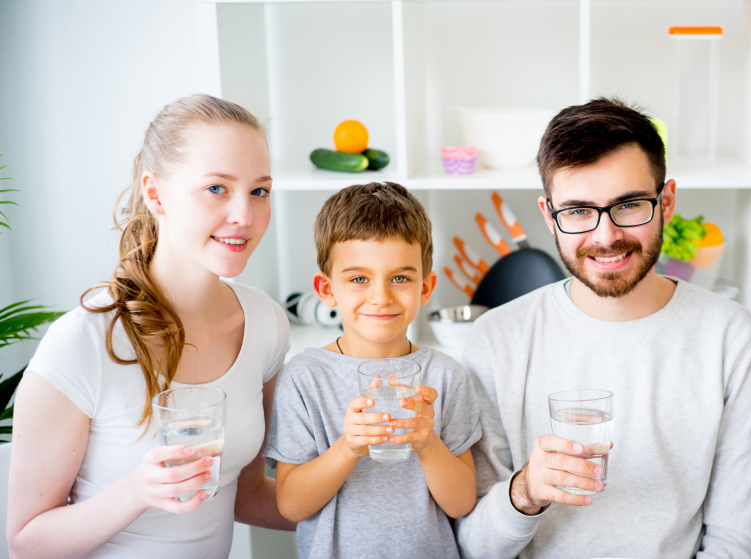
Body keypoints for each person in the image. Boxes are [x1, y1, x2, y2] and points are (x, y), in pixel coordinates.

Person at [455, 98, 751, 558]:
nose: (605, 236)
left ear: (666, 201)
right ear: (549, 216)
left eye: (628, 205)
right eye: (579, 211)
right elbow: (472, 549)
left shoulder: (732, 338)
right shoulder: (496, 339)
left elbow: (738, 543)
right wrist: (524, 492)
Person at [7, 94, 295, 558]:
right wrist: (138, 490)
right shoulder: (81, 343)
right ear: (155, 193)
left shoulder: (264, 324)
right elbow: (27, 541)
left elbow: (246, 497)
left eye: (259, 191)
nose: (245, 215)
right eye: (217, 188)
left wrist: (389, 503)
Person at [263, 182, 482, 559]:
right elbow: (292, 505)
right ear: (327, 289)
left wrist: (428, 443)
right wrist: (347, 447)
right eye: (359, 279)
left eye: (400, 278)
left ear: (426, 287)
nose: (381, 296)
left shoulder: (446, 376)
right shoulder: (306, 377)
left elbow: (461, 503)